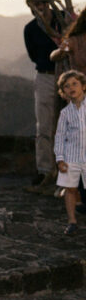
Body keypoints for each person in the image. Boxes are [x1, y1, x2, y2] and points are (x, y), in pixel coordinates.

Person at [23, 0, 63, 190]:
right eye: (34, 4)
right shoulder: (30, 29)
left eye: (41, 3)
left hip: (67, 76)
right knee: (44, 126)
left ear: (48, 3)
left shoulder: (63, 20)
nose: (39, 7)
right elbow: (33, 56)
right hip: (45, 76)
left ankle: (71, 172)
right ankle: (45, 171)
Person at [54, 70, 86, 235]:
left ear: (83, 86)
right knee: (70, 189)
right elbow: (60, 137)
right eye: (66, 86)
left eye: (74, 84)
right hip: (71, 157)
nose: (71, 88)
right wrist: (60, 159)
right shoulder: (65, 113)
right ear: (63, 92)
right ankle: (72, 221)